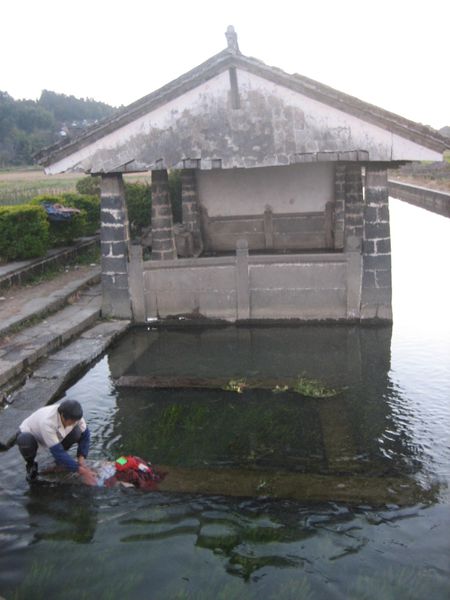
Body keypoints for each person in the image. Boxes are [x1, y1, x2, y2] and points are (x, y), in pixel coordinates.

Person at [16, 399, 97, 485]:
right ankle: (31, 465)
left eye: (75, 421)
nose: (74, 423)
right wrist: (83, 472)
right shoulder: (48, 422)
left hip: (54, 436)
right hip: (33, 435)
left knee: (77, 432)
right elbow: (57, 452)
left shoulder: (75, 416)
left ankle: (61, 463)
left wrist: (81, 461)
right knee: (25, 440)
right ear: (62, 415)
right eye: (72, 422)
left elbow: (85, 435)